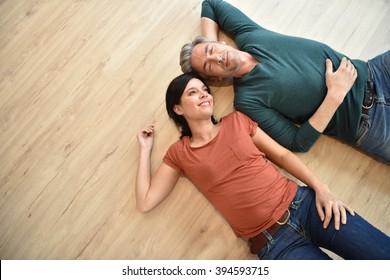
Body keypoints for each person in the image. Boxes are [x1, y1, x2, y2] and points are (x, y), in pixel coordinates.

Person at [136, 72, 390, 259]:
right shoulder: (179, 153)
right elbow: (146, 201)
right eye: (193, 92)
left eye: (204, 89)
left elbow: (282, 155)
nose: (203, 94)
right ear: (178, 108)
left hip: (309, 208)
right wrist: (146, 150)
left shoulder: (237, 121)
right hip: (276, 244)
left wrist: (322, 188)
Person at [180, 0, 390, 163]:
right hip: (368, 125)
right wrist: (335, 95)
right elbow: (296, 142)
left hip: (376, 72)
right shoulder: (247, 102)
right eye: (209, 66)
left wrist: (210, 44)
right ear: (215, 78)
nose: (216, 57)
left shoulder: (249, 35)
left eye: (211, 51)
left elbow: (211, 4)